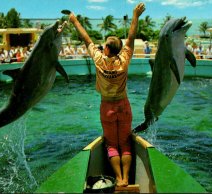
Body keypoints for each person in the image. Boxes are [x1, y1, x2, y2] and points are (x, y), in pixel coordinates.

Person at [69, 2, 145, 187]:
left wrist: (74, 20)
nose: (102, 48)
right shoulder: (124, 60)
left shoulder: (99, 60)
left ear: (108, 50)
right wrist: (135, 16)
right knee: (125, 143)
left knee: (111, 145)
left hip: (107, 107)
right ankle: (126, 178)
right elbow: (132, 36)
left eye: (104, 46)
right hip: (123, 105)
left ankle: (118, 178)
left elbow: (86, 39)